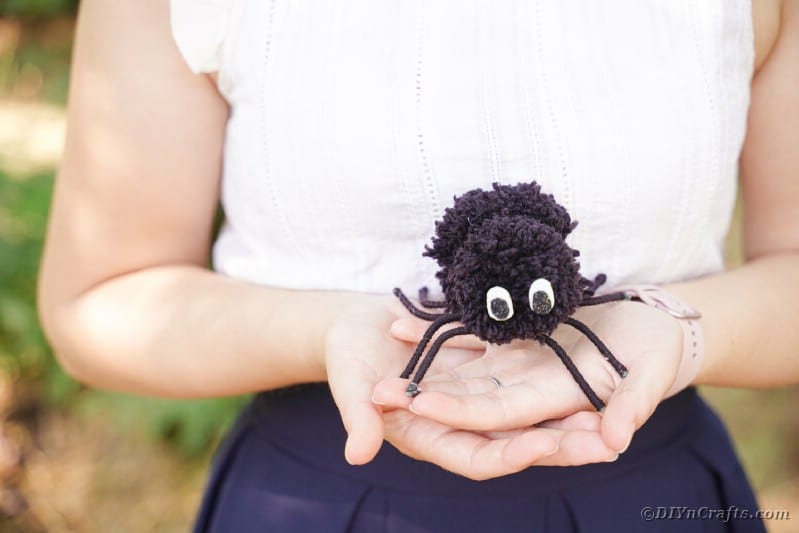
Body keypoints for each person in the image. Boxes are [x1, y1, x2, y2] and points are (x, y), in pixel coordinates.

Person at [38, 0, 798, 531]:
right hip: (320, 496)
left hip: (647, 499)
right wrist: (330, 329)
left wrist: (678, 330)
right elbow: (99, 296)